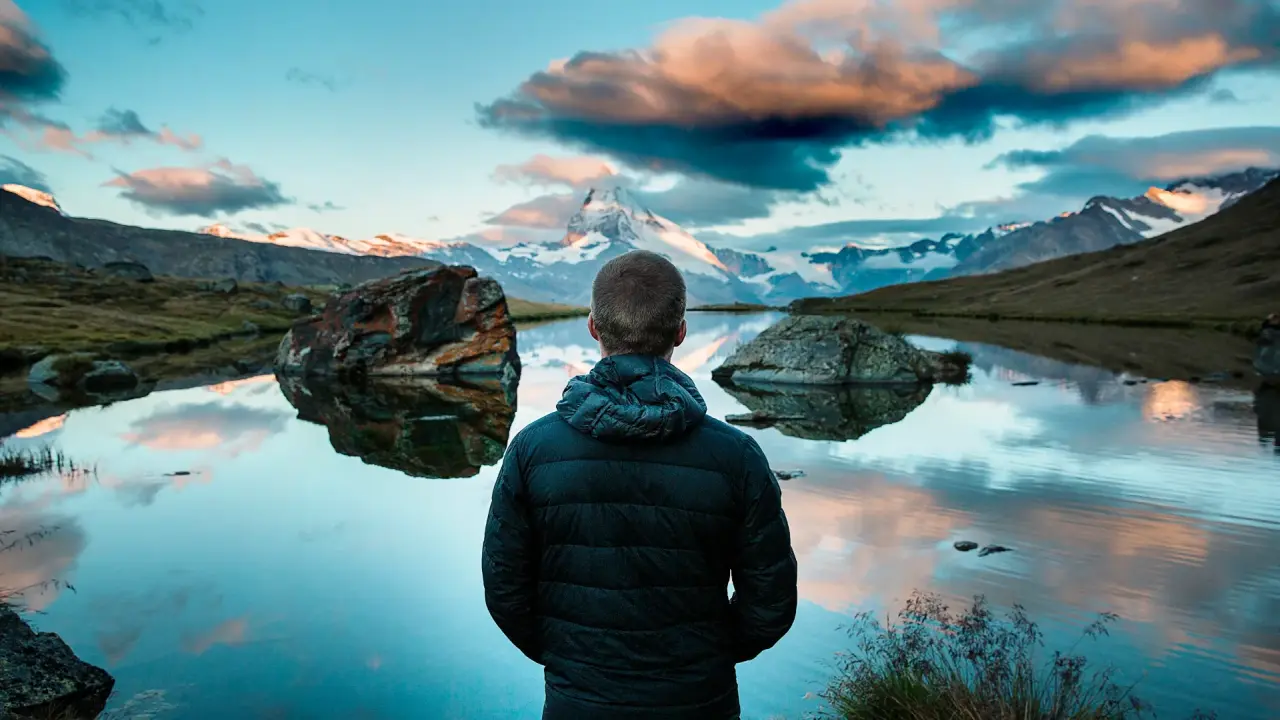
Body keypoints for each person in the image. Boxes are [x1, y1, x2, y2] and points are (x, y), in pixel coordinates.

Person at [481, 250, 799, 719]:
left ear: (593, 326)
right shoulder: (737, 456)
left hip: (577, 702)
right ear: (681, 331)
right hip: (699, 701)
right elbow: (771, 600)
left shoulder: (532, 450)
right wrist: (706, 655)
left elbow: (505, 590)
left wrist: (570, 658)